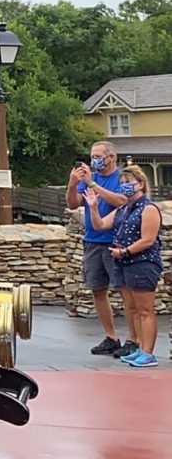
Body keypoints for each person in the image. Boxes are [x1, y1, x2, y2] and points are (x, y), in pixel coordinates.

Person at [85, 165, 162, 367]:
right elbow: (100, 225)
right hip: (123, 263)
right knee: (133, 309)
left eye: (130, 183)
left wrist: (126, 251)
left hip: (142, 263)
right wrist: (93, 207)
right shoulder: (124, 208)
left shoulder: (149, 208)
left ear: (142, 184)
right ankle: (139, 348)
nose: (126, 186)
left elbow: (148, 239)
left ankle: (148, 352)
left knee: (145, 309)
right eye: (123, 183)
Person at [67, 140, 130, 355]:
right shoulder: (87, 180)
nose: (94, 160)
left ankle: (134, 339)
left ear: (111, 157)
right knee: (97, 289)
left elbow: (122, 200)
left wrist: (93, 185)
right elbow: (73, 204)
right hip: (93, 240)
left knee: (125, 290)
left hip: (115, 241)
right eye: (92, 156)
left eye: (98, 156)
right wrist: (73, 184)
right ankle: (111, 336)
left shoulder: (120, 178)